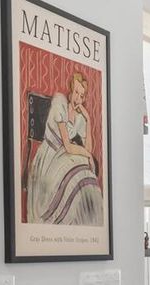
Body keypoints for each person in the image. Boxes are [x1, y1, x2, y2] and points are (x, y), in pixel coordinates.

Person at [26, 71, 104, 225]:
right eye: (76, 93)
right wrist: (87, 155)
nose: (78, 98)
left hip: (66, 157)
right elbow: (68, 146)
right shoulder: (59, 104)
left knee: (85, 174)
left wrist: (88, 120)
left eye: (82, 96)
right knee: (77, 173)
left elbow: (87, 147)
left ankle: (86, 224)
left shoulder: (80, 117)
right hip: (50, 156)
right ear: (70, 91)